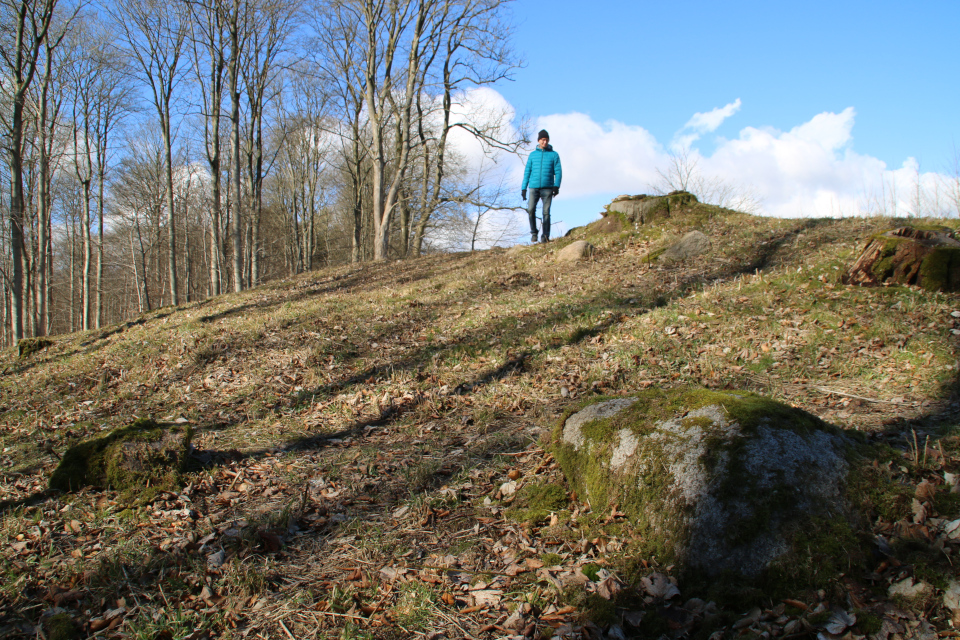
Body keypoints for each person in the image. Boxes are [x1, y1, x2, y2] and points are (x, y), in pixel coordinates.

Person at [521, 129, 562, 243]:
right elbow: (527, 172)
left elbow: (558, 172)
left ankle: (545, 236)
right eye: (543, 140)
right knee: (530, 210)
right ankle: (534, 233)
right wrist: (524, 188)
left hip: (547, 188)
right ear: (539, 140)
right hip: (533, 187)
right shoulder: (532, 155)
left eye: (547, 140)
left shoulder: (554, 155)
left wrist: (556, 186)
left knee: (546, 213)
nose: (545, 142)